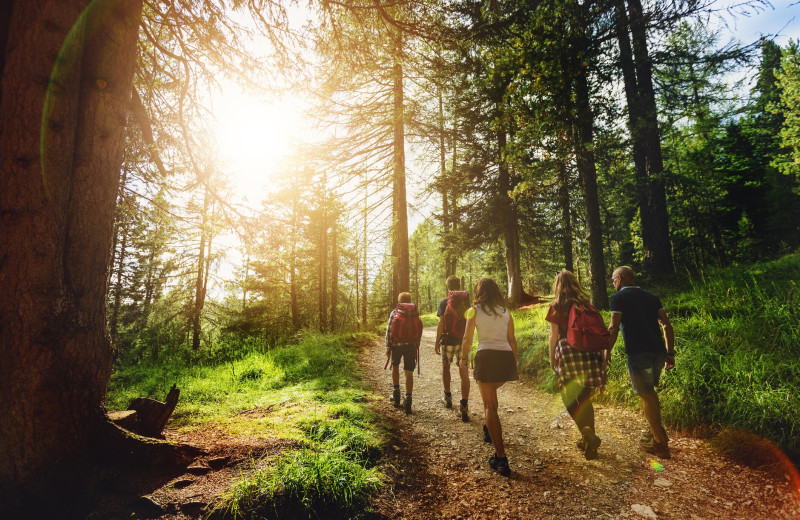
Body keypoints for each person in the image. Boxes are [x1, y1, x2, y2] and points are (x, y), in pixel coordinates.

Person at [608, 266, 675, 459]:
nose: (613, 284)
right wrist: (669, 353)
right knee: (650, 393)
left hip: (638, 353)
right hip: (658, 353)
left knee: (646, 395)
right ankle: (657, 432)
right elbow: (667, 326)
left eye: (613, 280)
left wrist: (606, 352)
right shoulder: (652, 298)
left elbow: (613, 329)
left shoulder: (618, 298)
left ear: (620, 279)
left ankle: (660, 444)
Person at [545, 270, 609, 460]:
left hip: (568, 352)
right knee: (586, 397)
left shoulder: (556, 306)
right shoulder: (586, 304)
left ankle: (587, 434)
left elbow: (553, 336)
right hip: (590, 352)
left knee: (569, 398)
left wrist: (551, 358)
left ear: (557, 286)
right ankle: (590, 443)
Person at [460, 278, 518, 476]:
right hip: (505, 359)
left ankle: (501, 459)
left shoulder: (474, 309)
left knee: (490, 407)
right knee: (492, 402)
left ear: (479, 291)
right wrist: (514, 362)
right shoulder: (505, 311)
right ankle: (492, 434)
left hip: (486, 358)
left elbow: (467, 338)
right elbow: (512, 339)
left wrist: (462, 358)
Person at [435, 275, 471, 421]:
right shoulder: (466, 301)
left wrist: (437, 341)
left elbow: (441, 323)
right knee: (464, 371)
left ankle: (448, 397)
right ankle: (464, 405)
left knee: (446, 367)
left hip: (448, 340)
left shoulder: (444, 302)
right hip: (463, 340)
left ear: (448, 286)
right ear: (459, 285)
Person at [385, 292, 423, 414]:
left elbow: (389, 329)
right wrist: (416, 344)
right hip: (411, 346)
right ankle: (408, 400)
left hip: (396, 345)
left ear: (399, 301)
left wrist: (388, 346)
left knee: (395, 367)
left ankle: (396, 396)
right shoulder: (415, 313)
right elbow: (418, 329)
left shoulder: (395, 312)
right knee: (409, 372)